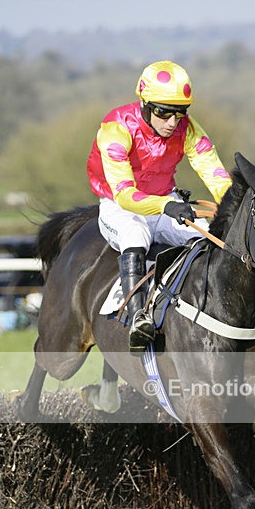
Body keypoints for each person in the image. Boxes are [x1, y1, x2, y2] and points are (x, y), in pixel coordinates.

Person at [87, 60, 232, 351]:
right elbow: (126, 194)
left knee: (206, 238)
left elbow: (216, 176)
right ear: (144, 103)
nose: (172, 122)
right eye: (163, 112)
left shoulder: (188, 129)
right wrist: (166, 205)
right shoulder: (115, 128)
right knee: (135, 236)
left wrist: (233, 204)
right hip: (120, 207)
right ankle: (138, 317)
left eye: (179, 113)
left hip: (166, 202)